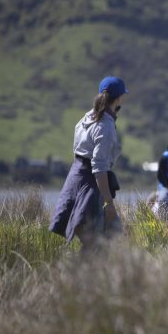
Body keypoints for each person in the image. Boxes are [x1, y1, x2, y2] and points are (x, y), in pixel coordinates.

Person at [49, 76, 127, 251]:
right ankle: (79, 275)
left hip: (75, 179)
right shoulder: (104, 126)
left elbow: (79, 151)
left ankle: (84, 274)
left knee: (103, 239)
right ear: (119, 98)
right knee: (99, 243)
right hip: (91, 186)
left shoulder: (87, 117)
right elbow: (99, 169)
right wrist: (108, 203)